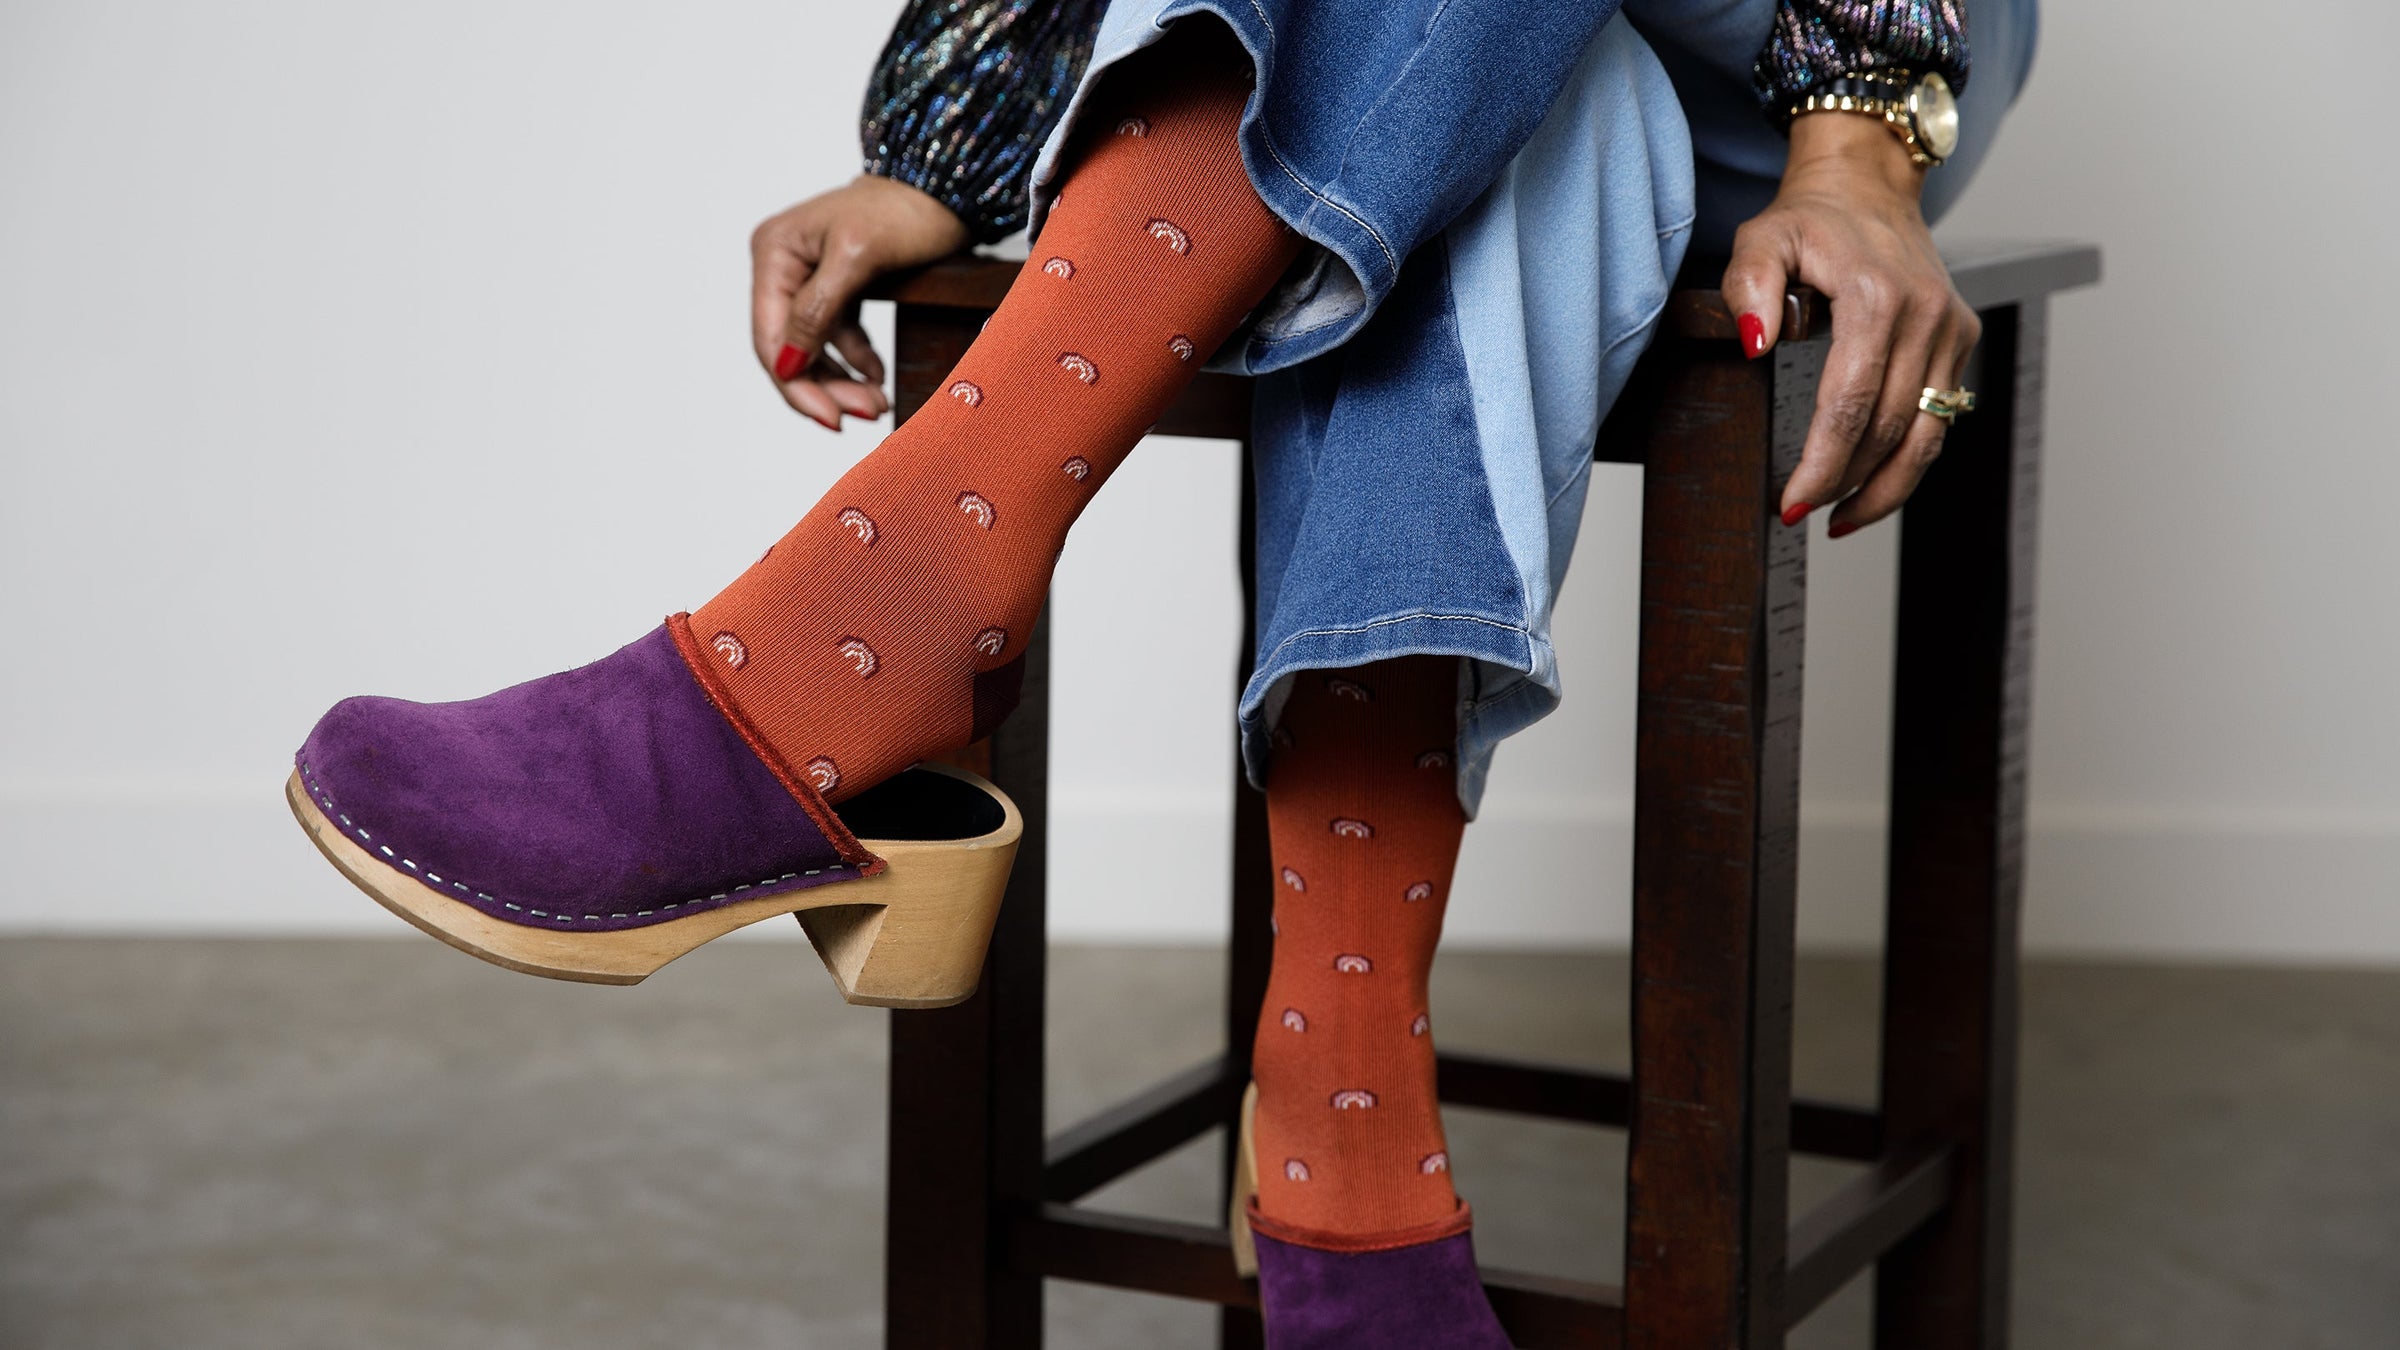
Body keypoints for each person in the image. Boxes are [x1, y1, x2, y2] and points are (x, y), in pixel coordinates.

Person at [289, 0, 2033, 1342]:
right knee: (1521, 125)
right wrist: (946, 141)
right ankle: (1346, 1124)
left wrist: (1857, 145)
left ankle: (839, 654)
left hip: (1783, 64)